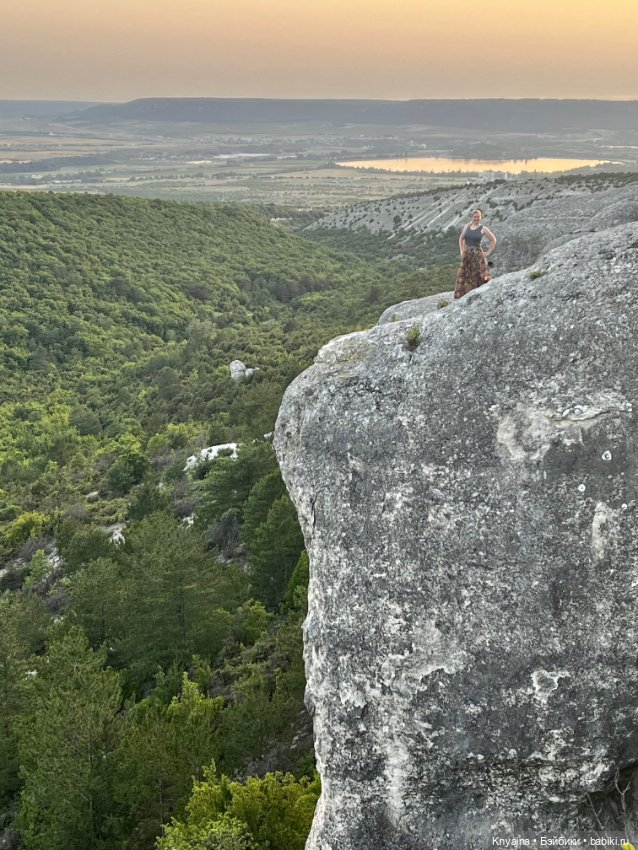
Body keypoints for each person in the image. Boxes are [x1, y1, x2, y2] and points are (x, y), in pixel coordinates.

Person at [454, 209, 496, 299]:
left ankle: (478, 296)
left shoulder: (483, 229)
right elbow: (461, 239)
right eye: (475, 217)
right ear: (472, 217)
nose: (476, 218)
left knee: (477, 275)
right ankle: (463, 295)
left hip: (477, 255)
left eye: (478, 217)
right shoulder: (466, 227)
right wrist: (461, 251)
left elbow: (493, 240)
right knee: (463, 275)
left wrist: (488, 252)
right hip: (466, 255)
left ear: (481, 218)